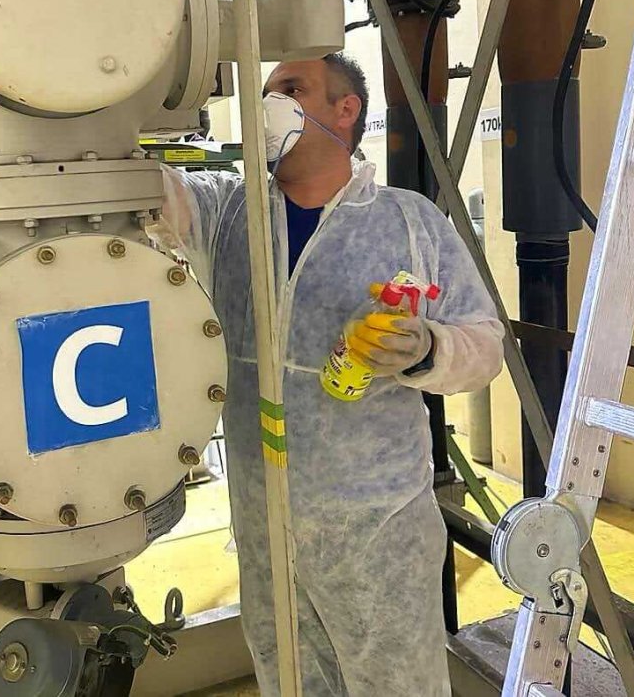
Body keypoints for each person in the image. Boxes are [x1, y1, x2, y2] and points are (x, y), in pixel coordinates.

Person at [155, 53, 504, 696]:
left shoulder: (408, 222)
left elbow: (485, 346)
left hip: (376, 531)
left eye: (291, 89)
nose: (269, 106)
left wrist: (425, 348)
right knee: (288, 677)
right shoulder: (227, 214)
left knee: (396, 685)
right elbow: (142, 190)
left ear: (346, 110)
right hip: (265, 525)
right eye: (265, 92)